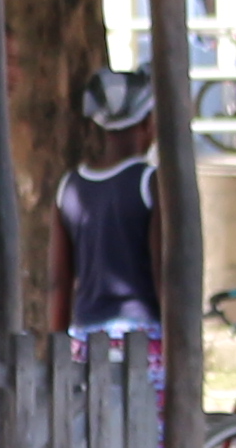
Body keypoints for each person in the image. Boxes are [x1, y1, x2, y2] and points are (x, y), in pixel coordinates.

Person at [54, 65, 160, 337]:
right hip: (142, 333)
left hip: (85, 332)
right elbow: (164, 272)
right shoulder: (149, 182)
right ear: (148, 123)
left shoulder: (69, 186)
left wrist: (58, 343)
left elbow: (59, 280)